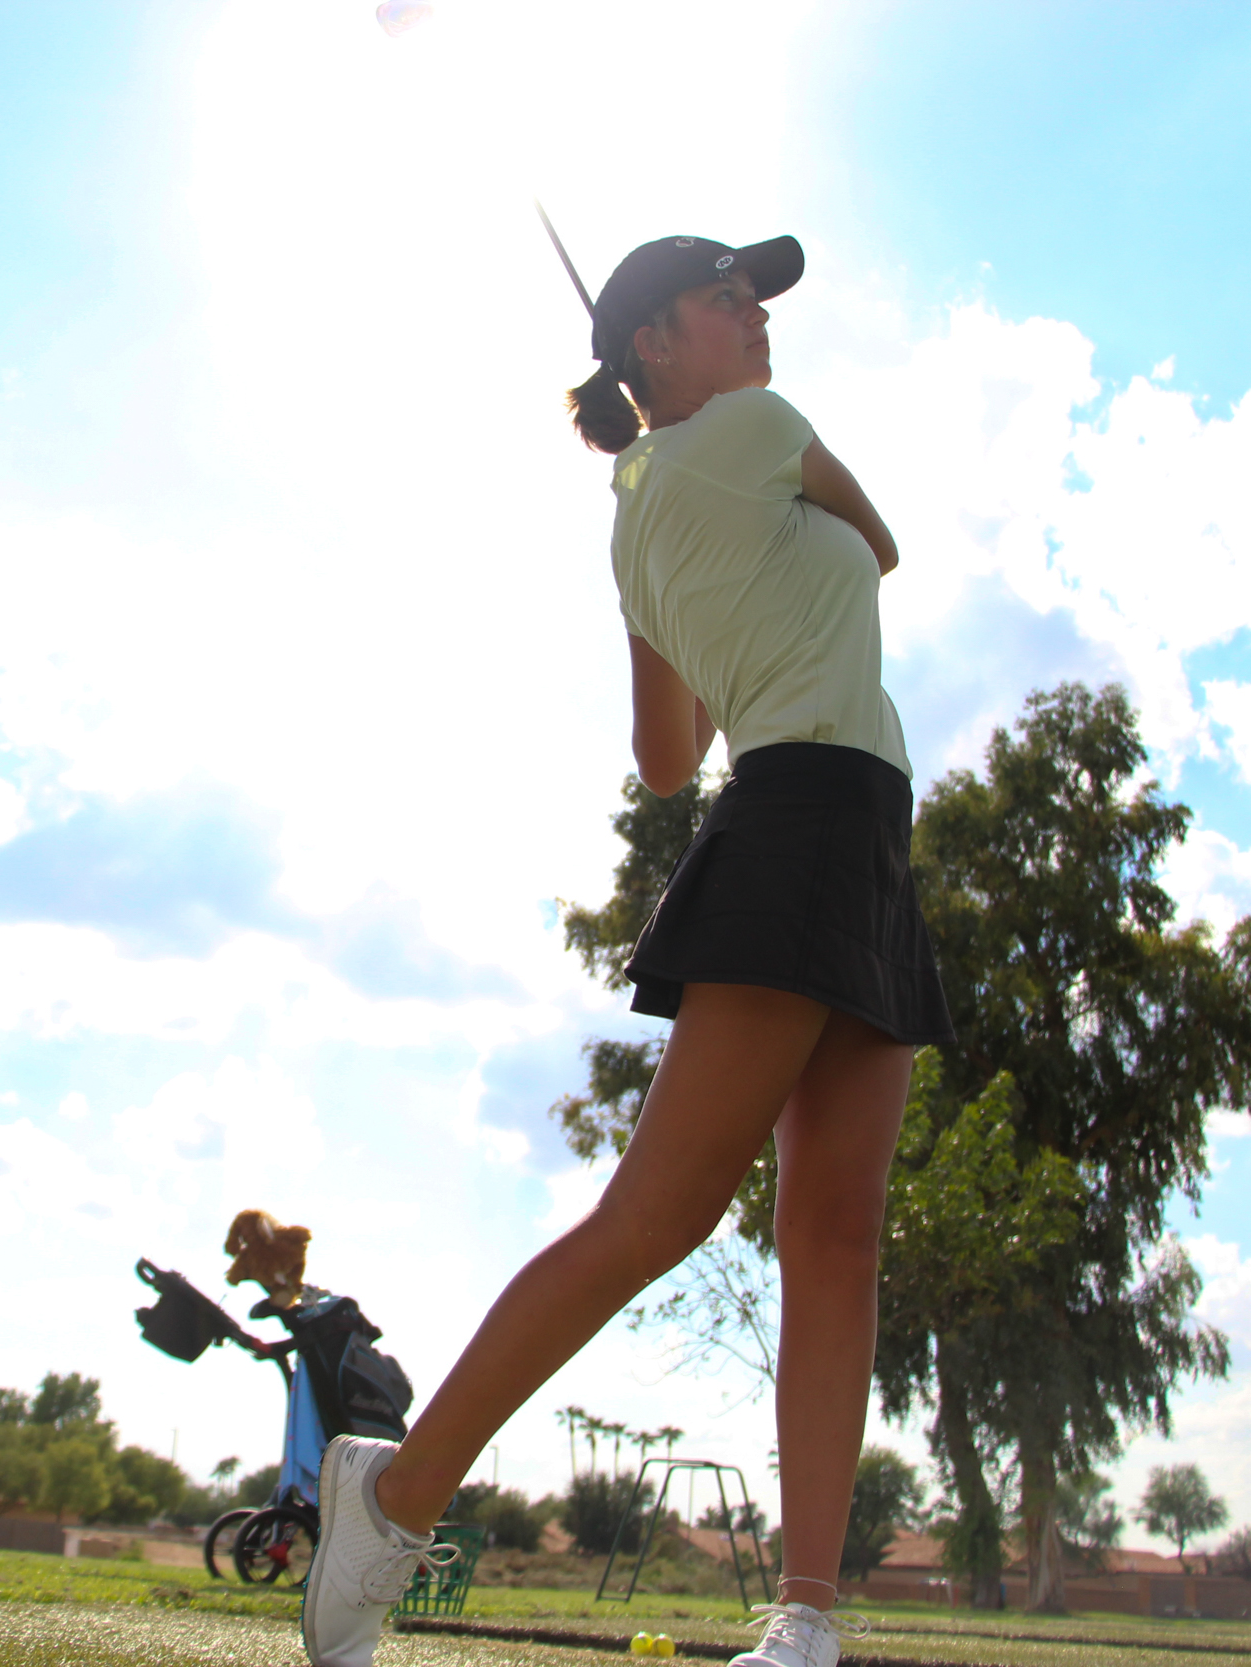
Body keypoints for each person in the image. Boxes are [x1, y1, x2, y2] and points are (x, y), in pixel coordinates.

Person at [300, 235, 951, 1667]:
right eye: (731, 295)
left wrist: (700, 598)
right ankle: (395, 1492)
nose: (760, 316)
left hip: (836, 827)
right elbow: (885, 542)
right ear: (657, 341)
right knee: (660, 1215)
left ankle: (808, 1614)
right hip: (805, 815)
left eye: (759, 296)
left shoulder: (636, 514)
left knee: (833, 1236)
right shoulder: (760, 433)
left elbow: (664, 757)